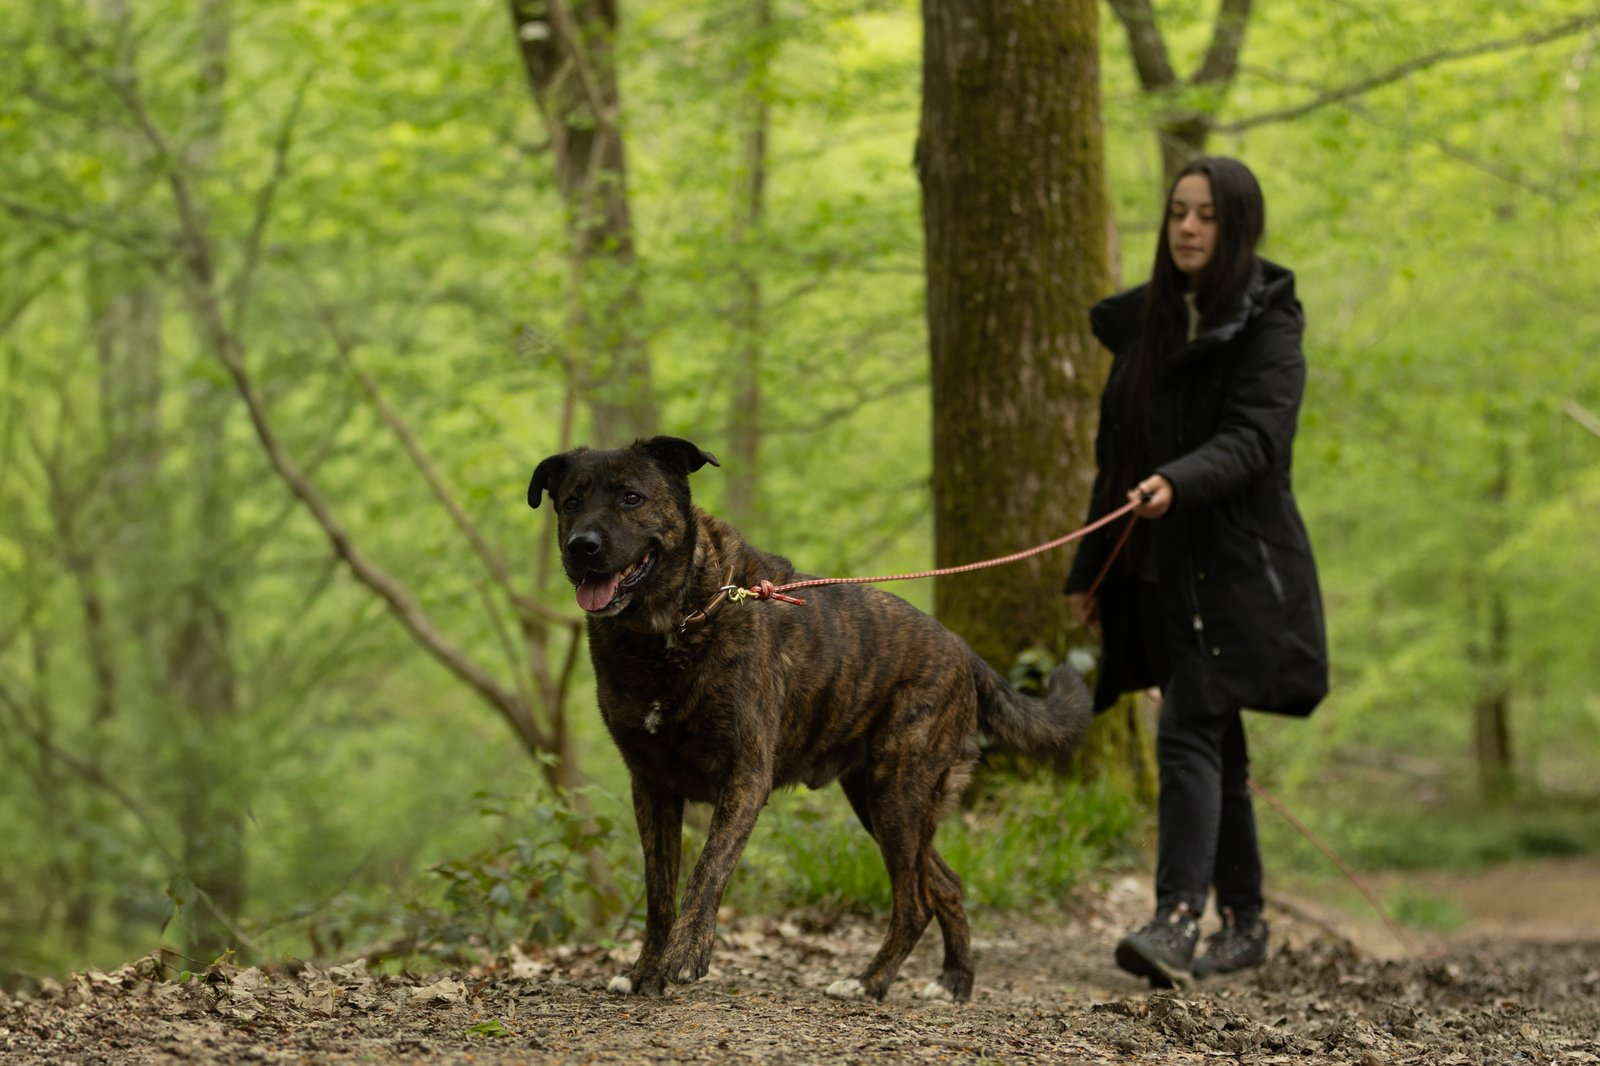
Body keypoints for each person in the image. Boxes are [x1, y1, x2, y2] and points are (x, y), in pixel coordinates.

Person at [1063, 156, 1329, 988]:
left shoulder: (1270, 325)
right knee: (1213, 734)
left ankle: (1177, 919)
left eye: (1207, 215)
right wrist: (1089, 571)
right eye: (1178, 211)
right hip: (1153, 569)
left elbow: (1256, 441)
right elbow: (1117, 461)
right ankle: (1245, 923)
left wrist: (1179, 480)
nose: (1187, 227)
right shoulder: (1146, 323)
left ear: (1237, 225)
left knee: (1186, 729)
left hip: (1238, 572)